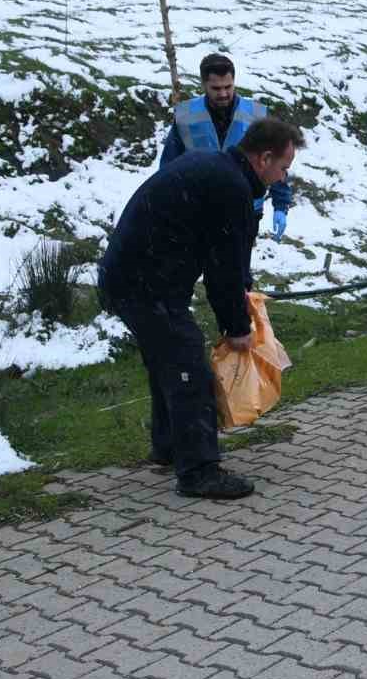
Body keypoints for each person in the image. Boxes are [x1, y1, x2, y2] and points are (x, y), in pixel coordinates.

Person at [99, 116, 303, 499]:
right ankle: (198, 472)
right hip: (144, 283)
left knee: (170, 361)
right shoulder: (230, 187)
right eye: (283, 169)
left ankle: (170, 446)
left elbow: (224, 253)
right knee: (189, 366)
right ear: (264, 158)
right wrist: (238, 328)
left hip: (136, 277)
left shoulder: (218, 169)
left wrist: (241, 292)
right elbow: (222, 269)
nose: (281, 178)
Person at [160, 53, 294, 263]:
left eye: (228, 87)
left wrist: (281, 204)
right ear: (204, 84)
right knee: (191, 266)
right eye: (216, 88)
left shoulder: (256, 115)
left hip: (246, 209)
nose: (223, 93)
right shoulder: (186, 116)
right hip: (199, 210)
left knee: (236, 271)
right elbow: (169, 166)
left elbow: (276, 162)